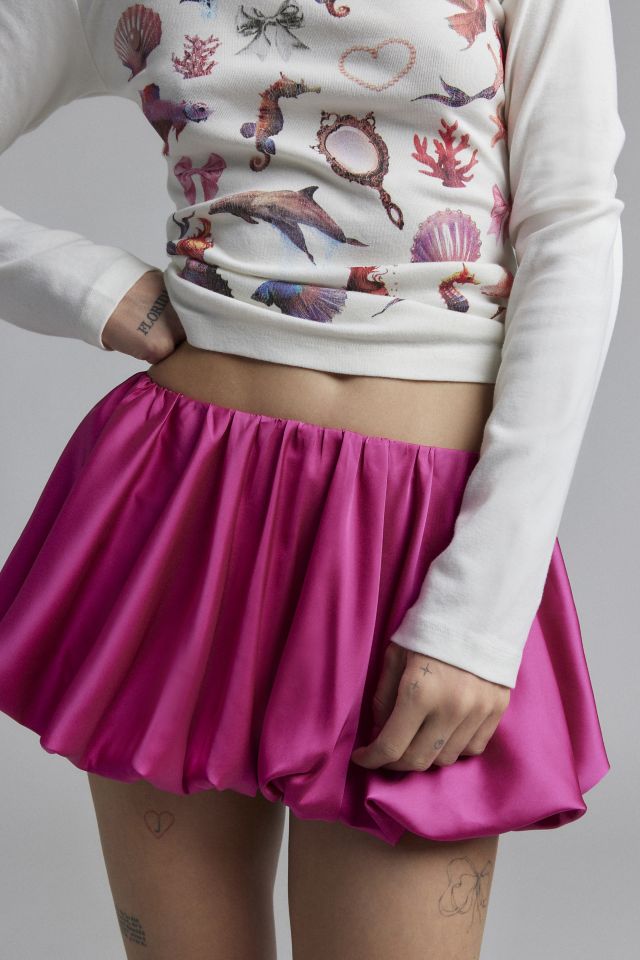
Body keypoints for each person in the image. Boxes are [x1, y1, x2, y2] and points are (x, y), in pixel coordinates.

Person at [0, 1, 624, 957]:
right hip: (184, 511)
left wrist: (481, 611)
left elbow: (574, 227)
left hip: (417, 541)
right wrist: (81, 286)